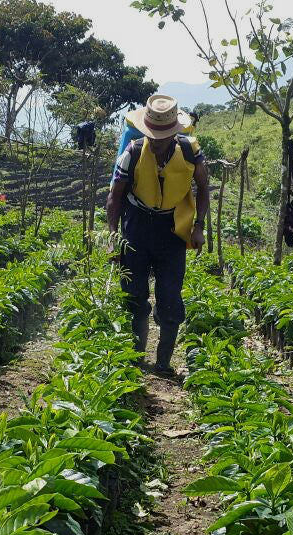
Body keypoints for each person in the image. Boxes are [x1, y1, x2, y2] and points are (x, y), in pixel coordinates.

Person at [106, 94, 211, 377]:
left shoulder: (190, 151)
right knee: (134, 294)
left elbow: (203, 187)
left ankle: (163, 362)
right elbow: (114, 199)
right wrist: (113, 237)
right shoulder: (133, 151)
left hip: (172, 228)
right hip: (137, 226)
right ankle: (137, 357)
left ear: (175, 133)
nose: (157, 141)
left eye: (163, 136)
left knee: (170, 296)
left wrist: (199, 227)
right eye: (153, 135)